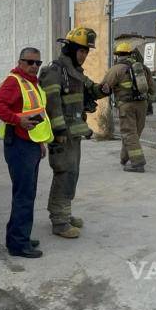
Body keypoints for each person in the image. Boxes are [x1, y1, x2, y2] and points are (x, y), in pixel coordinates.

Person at [39, 28, 110, 239]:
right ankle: (59, 222)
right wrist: (58, 130)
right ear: (70, 49)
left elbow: (91, 89)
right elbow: (52, 104)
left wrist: (104, 89)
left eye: (86, 51)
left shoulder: (75, 72)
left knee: (72, 173)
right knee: (64, 172)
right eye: (82, 51)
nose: (85, 55)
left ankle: (64, 213)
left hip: (75, 132)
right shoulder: (55, 70)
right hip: (62, 134)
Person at [0, 47, 53, 258]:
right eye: (30, 62)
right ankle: (18, 244)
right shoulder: (14, 81)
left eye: (38, 63)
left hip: (30, 144)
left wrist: (40, 143)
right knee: (24, 195)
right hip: (19, 145)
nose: (34, 66)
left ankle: (19, 236)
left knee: (27, 193)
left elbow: (37, 115)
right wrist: (18, 121)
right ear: (20, 62)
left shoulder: (31, 83)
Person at [102, 42, 156, 172]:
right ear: (130, 54)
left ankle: (138, 163)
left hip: (126, 106)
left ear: (117, 56)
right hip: (142, 105)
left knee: (129, 133)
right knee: (134, 133)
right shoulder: (143, 68)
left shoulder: (116, 69)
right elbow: (152, 88)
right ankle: (124, 158)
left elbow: (104, 87)